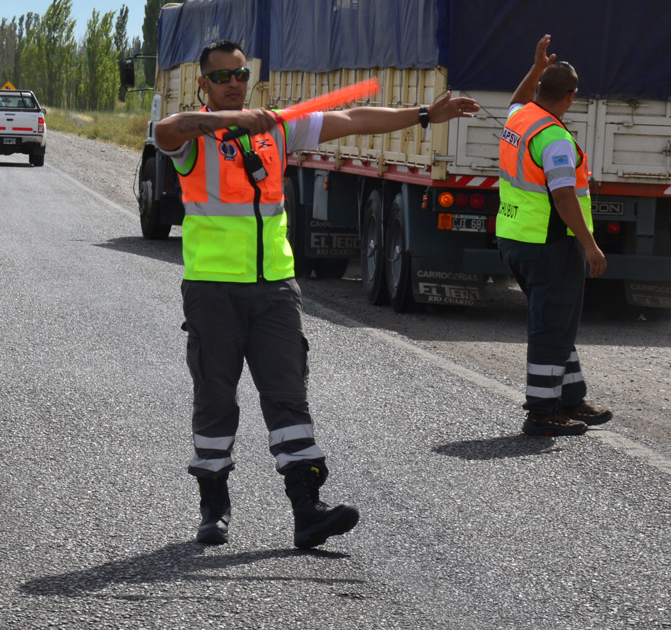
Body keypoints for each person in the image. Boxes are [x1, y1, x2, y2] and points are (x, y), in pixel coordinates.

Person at [152, 39, 478, 549]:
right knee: (215, 399)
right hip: (213, 290)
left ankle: (307, 509)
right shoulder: (196, 139)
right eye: (221, 77)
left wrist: (421, 114)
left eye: (240, 75)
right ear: (203, 86)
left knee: (288, 397)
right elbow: (165, 130)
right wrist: (228, 122)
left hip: (275, 289)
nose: (233, 84)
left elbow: (351, 119)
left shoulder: (276, 129)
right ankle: (213, 503)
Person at [496, 34, 611, 438]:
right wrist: (590, 245)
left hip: (514, 237)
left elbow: (516, 97)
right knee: (550, 326)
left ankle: (571, 397)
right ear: (571, 96)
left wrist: (536, 67)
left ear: (541, 89)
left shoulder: (519, 117)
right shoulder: (555, 139)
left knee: (557, 320)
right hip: (550, 244)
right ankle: (542, 413)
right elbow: (564, 197)